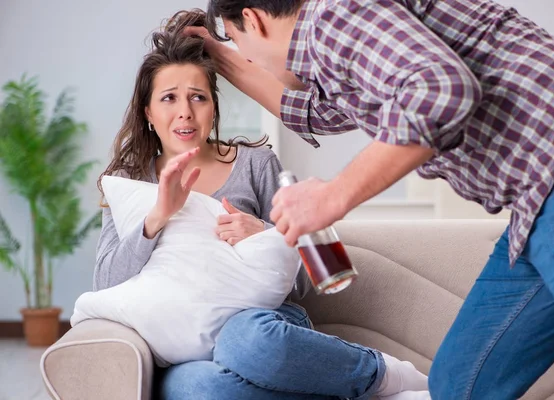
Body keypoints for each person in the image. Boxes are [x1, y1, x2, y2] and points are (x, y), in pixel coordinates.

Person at [186, 0, 554, 398]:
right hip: (539, 204)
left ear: (253, 20)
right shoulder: (345, 44)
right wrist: (215, 53)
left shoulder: (335, 16)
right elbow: (313, 111)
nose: (250, 61)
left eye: (241, 45)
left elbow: (441, 90)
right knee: (459, 383)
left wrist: (332, 196)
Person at [94, 9, 430, 400]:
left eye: (198, 97)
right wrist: (157, 218)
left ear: (213, 109)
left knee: (243, 342)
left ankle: (380, 372)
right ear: (149, 113)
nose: (184, 111)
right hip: (185, 351)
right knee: (205, 391)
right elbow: (106, 282)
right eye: (169, 98)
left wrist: (266, 234)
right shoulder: (131, 185)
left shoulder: (255, 164)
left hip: (262, 328)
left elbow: (313, 278)